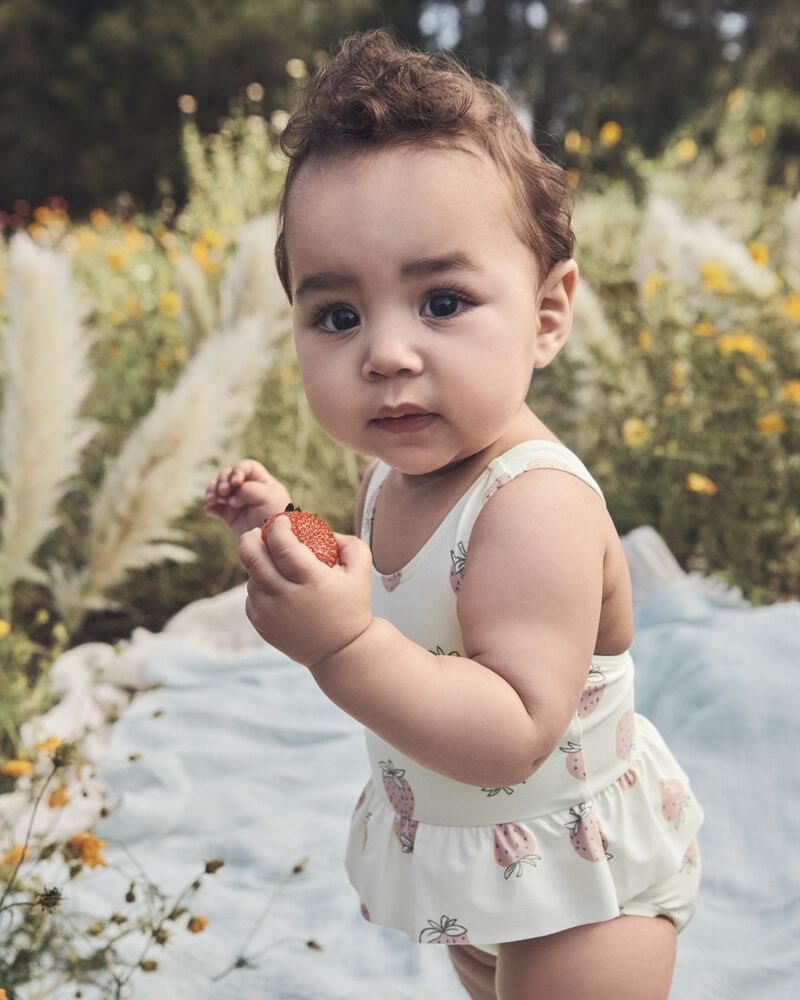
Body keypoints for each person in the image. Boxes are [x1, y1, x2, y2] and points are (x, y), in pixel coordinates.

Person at [204, 29, 703, 1000]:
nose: (385, 352)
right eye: (337, 315)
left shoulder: (534, 505)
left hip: (579, 877)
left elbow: (510, 726)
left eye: (440, 299)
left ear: (546, 315)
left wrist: (338, 644)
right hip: (478, 859)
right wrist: (287, 533)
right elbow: (400, 592)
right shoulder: (393, 477)